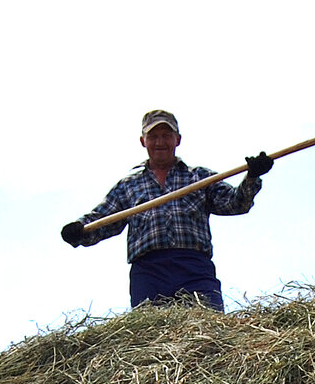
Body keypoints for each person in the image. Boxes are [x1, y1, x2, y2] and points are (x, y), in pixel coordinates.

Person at [60, 109, 272, 312]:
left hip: (194, 269)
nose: (160, 142)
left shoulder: (200, 177)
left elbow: (236, 203)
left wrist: (252, 176)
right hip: (149, 274)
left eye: (166, 135)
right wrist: (79, 230)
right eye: (153, 137)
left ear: (177, 139)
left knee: (209, 329)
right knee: (151, 334)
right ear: (143, 141)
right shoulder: (128, 186)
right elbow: (103, 219)